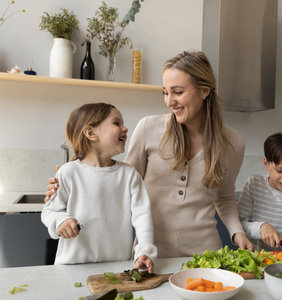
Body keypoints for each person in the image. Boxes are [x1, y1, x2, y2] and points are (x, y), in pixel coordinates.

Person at [45, 51, 253, 257]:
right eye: (165, 92)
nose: (169, 101)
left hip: (205, 255)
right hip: (151, 255)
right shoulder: (148, 128)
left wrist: (238, 233)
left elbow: (225, 198)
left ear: (204, 91)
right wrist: (71, 178)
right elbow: (118, 185)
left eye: (178, 92)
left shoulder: (233, 144)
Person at [41, 103, 157, 271]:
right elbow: (49, 211)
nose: (125, 128)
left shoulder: (129, 175)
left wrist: (145, 250)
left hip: (116, 268)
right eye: (116, 123)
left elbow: (143, 217)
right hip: (70, 268)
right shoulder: (68, 172)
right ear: (91, 133)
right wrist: (60, 221)